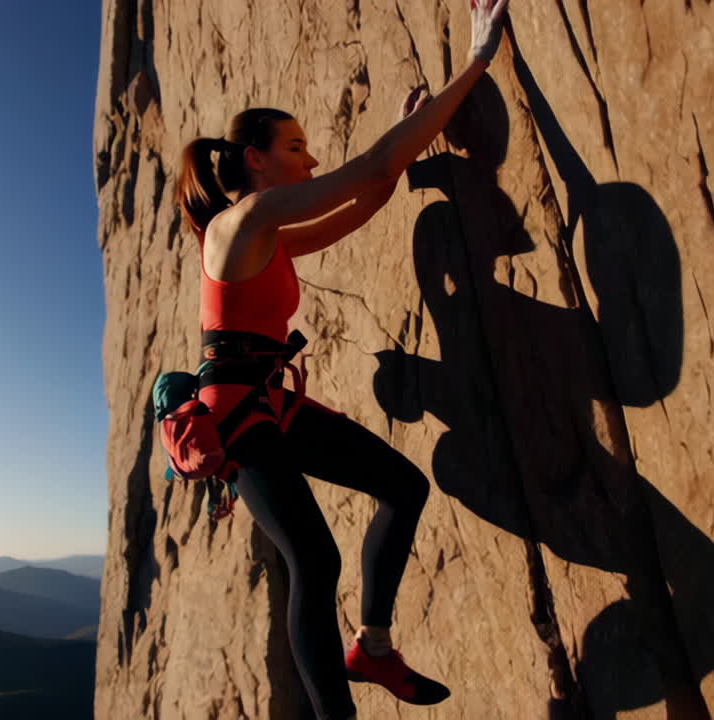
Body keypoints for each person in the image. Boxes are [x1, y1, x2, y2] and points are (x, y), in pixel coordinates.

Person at [173, 2, 509, 717]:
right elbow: (372, 167)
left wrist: (410, 131)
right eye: (296, 146)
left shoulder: (270, 235)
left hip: (271, 405)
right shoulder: (241, 222)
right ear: (256, 158)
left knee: (403, 487)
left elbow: (370, 195)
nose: (311, 159)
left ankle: (372, 648)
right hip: (238, 420)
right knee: (314, 559)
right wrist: (476, 61)